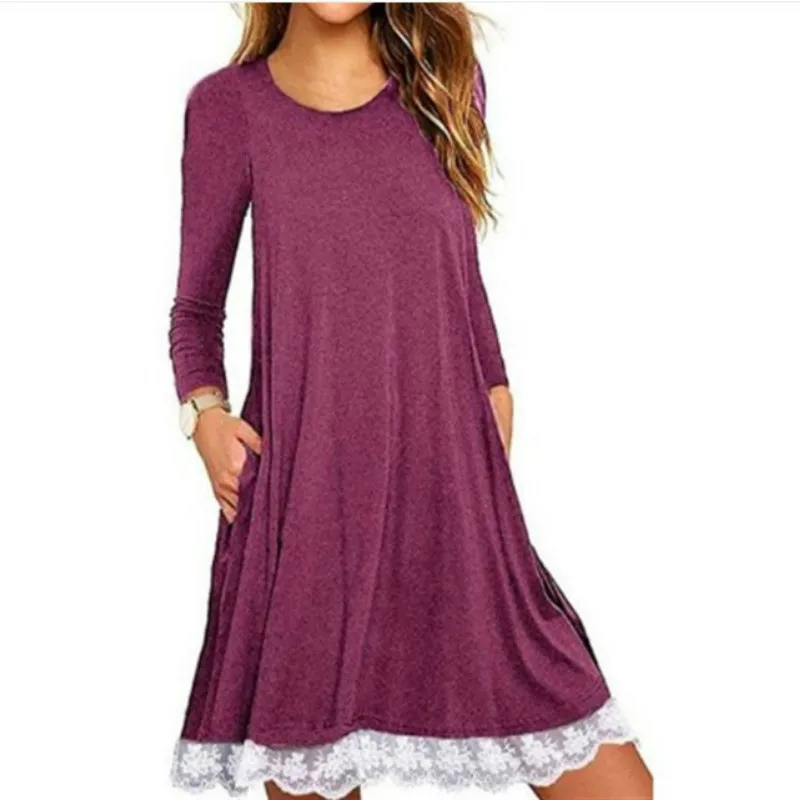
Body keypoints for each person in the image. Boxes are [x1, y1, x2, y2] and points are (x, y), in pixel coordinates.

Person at [168, 4, 653, 799]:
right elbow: (195, 310)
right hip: (308, 502)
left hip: (447, 485)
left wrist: (495, 383)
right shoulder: (229, 107)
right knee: (313, 772)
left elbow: (456, 269)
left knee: (616, 786)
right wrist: (205, 417)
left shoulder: (445, 85)